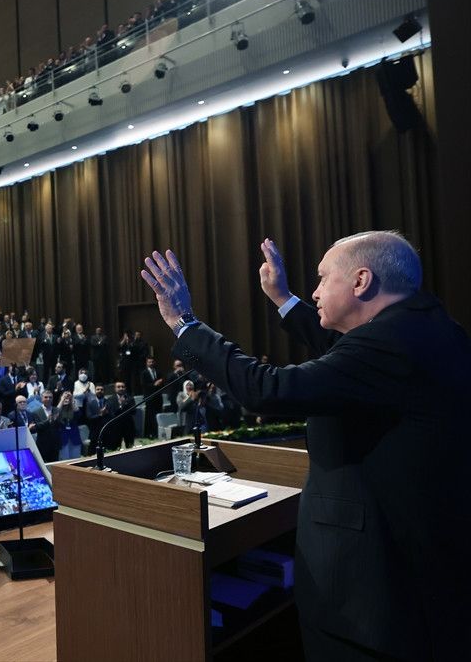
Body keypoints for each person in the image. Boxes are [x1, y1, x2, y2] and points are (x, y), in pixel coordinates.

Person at [140, 233, 470, 660]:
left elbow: (269, 389)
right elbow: (343, 352)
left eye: (323, 278)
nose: (314, 291)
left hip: (373, 596)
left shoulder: (392, 343)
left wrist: (184, 322)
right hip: (409, 575)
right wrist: (282, 298)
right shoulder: (424, 327)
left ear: (361, 281)